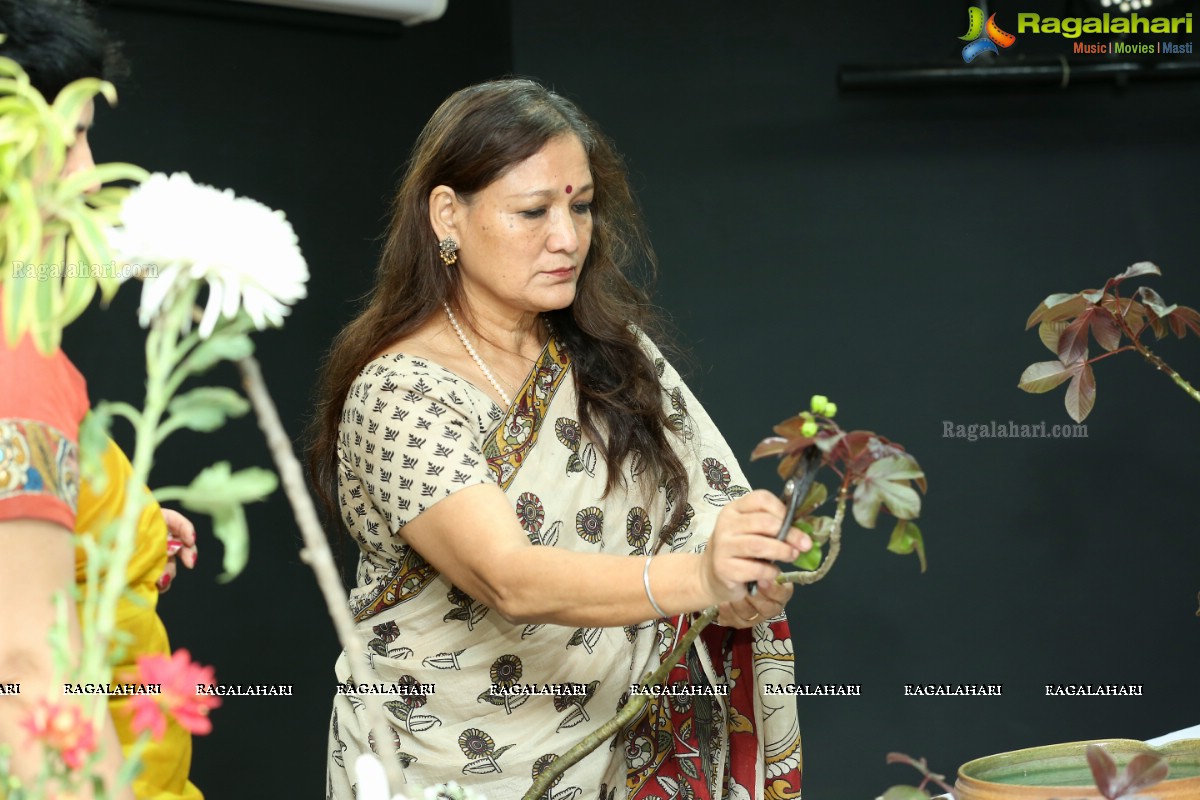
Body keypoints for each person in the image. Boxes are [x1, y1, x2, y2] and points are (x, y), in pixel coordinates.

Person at [309, 78, 809, 799]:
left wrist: (740, 584)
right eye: (533, 211)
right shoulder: (400, 391)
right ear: (447, 215)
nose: (567, 238)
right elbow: (506, 578)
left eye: (580, 207)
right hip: (442, 769)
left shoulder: (615, 355)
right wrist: (699, 578)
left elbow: (703, 522)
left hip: (625, 755)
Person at [0, 1, 201, 798]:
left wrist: (124, 520)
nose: (89, 172)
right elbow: (25, 670)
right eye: (73, 136)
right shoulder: (18, 365)